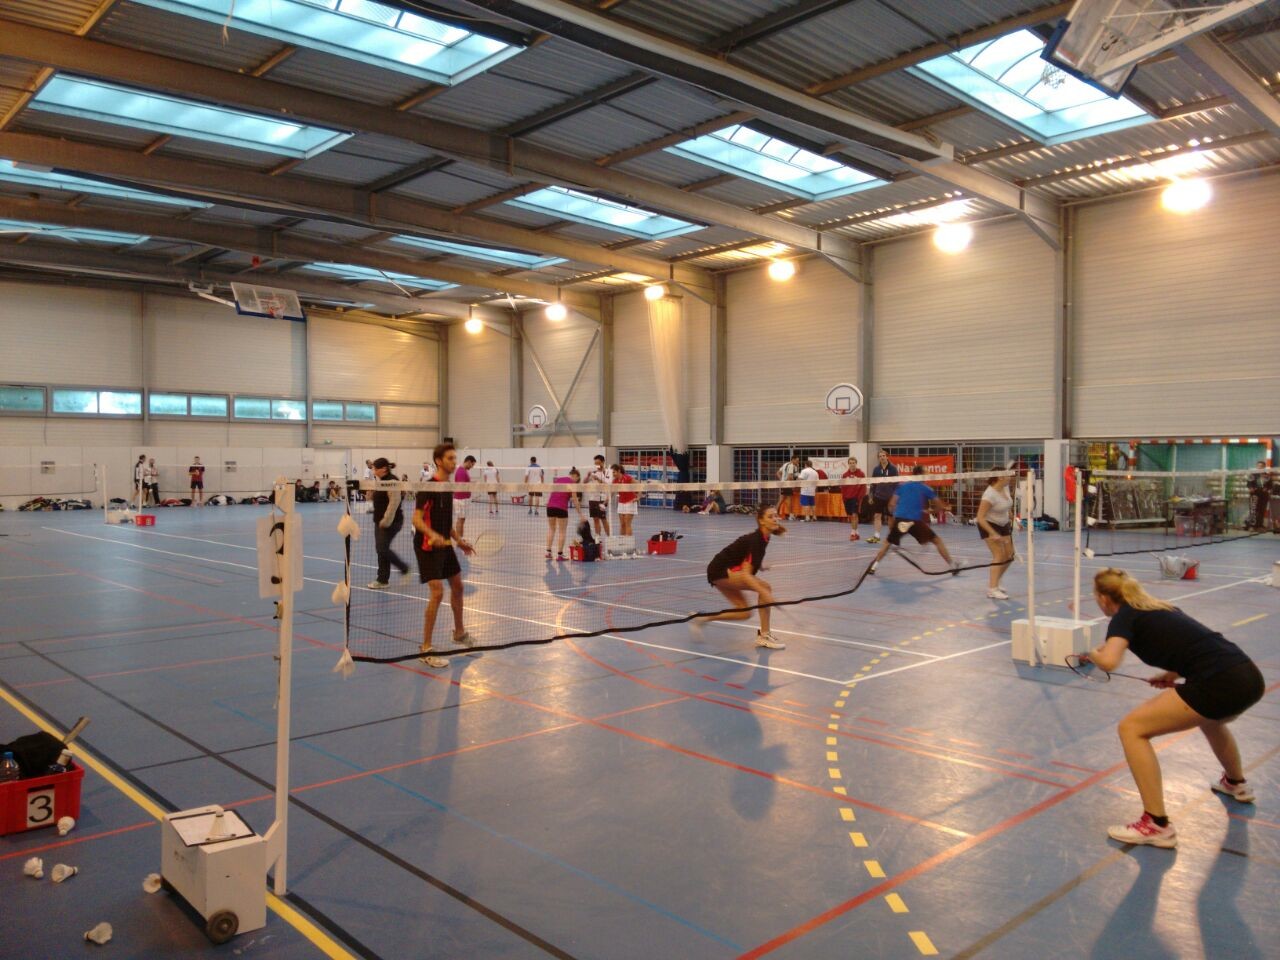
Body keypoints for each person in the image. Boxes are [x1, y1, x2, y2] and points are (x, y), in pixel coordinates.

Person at [1083, 568, 1265, 848]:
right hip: (1248, 677)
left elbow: (1108, 661)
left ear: (1104, 598)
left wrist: (1093, 654)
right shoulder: (1160, 608)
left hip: (1219, 682)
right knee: (1210, 720)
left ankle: (1155, 824)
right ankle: (1235, 783)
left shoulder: (1124, 616)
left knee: (1131, 729)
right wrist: (1170, 674)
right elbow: (1194, 646)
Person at [691, 504, 787, 650]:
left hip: (722, 569)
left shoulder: (764, 538)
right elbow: (745, 575)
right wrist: (764, 593)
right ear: (761, 521)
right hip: (720, 570)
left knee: (744, 612)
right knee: (765, 587)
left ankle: (702, 618)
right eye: (770, 516)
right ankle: (764, 635)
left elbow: (748, 557)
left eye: (776, 515)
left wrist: (760, 566)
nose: (775, 519)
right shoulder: (756, 540)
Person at [413, 443, 474, 668]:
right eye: (450, 458)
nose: (454, 462)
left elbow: (446, 523)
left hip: (445, 544)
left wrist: (459, 540)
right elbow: (416, 519)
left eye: (455, 458)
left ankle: (459, 632)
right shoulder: (428, 486)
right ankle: (425, 649)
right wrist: (432, 535)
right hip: (427, 546)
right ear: (439, 461)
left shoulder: (448, 487)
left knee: (458, 586)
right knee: (437, 592)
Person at [870, 465, 959, 575]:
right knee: (937, 540)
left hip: (901, 520)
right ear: (920, 475)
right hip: (914, 522)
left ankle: (874, 566)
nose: (927, 475)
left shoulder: (902, 486)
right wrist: (934, 510)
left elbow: (891, 505)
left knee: (887, 543)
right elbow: (940, 506)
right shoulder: (926, 488)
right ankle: (953, 565)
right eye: (926, 473)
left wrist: (896, 518)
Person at [366, 458, 408, 590]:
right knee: (381, 549)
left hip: (391, 522)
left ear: (384, 469)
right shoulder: (381, 481)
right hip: (379, 521)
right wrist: (370, 494)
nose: (373, 471)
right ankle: (383, 580)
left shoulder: (392, 481)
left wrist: (386, 521)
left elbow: (394, 503)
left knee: (382, 549)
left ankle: (404, 569)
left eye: (375, 469)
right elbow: (377, 500)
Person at [976, 475, 1015, 600]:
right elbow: (980, 517)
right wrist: (992, 533)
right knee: (999, 555)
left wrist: (1014, 519)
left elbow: (1006, 505)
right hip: (988, 524)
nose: (1010, 477)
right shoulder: (989, 495)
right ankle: (992, 590)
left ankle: (996, 581)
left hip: (1003, 523)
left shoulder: (1005, 488)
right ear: (1000, 478)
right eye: (1007, 475)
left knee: (1010, 555)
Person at [545, 467, 584, 561]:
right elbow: (575, 500)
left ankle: (548, 552)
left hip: (550, 506)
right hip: (561, 508)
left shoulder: (559, 480)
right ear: (576, 476)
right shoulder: (573, 484)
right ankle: (560, 555)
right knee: (562, 531)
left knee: (551, 529)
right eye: (578, 480)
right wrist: (581, 515)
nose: (577, 482)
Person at [867, 451, 898, 544]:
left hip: (890, 497)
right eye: (880, 456)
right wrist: (871, 496)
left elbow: (897, 483)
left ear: (887, 457)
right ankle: (876, 536)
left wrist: (895, 497)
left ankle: (892, 537)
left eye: (883, 456)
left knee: (890, 517)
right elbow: (873, 484)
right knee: (877, 515)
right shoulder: (876, 469)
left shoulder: (893, 469)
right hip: (878, 496)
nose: (882, 457)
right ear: (878, 458)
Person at [841, 457, 867, 542]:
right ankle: (857, 532)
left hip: (856, 498)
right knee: (851, 516)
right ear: (848, 464)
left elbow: (863, 487)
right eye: (850, 463)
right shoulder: (845, 475)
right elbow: (843, 488)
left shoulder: (861, 474)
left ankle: (853, 533)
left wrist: (859, 497)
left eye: (853, 463)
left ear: (856, 463)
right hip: (847, 499)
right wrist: (844, 498)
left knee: (854, 515)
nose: (852, 464)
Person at [586, 454, 612, 539]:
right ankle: (597, 538)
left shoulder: (608, 472)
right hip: (593, 498)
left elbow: (607, 484)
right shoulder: (593, 473)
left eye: (598, 463)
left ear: (603, 462)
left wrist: (598, 479)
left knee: (603, 519)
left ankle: (610, 538)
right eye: (595, 463)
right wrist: (587, 476)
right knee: (595, 519)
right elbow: (584, 482)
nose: (597, 465)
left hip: (602, 499)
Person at [453, 454, 476, 538]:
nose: (472, 467)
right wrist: (471, 485)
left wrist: (471, 483)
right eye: (472, 464)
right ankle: (459, 539)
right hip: (461, 499)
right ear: (468, 462)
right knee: (460, 519)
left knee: (462, 519)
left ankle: (460, 538)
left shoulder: (464, 470)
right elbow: (461, 486)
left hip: (463, 499)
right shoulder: (461, 471)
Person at [613, 464, 638, 536]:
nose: (613, 474)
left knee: (627, 523)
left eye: (614, 472)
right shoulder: (615, 481)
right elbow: (612, 492)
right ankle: (622, 540)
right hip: (621, 503)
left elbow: (639, 485)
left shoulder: (627, 478)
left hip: (630, 502)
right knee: (622, 524)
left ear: (619, 471)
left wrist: (638, 497)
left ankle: (628, 541)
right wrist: (605, 501)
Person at [1247, 460, 1272, 531]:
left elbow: (1270, 485)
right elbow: (1249, 483)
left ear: (1264, 467)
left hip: (1263, 495)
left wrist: (1267, 488)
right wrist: (1251, 488)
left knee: (1262, 510)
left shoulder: (1267, 476)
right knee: (1253, 510)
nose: (1260, 467)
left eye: (1261, 466)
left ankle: (1259, 525)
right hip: (1255, 495)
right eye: (1259, 466)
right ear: (1256, 466)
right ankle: (1252, 526)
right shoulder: (1252, 475)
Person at [775, 453, 800, 520]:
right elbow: (790, 477)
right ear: (793, 460)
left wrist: (782, 480)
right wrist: (794, 484)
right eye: (797, 460)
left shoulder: (785, 464)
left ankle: (774, 514)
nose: (798, 462)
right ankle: (791, 515)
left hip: (784, 484)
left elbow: (778, 473)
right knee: (789, 500)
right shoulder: (791, 466)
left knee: (781, 500)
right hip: (787, 485)